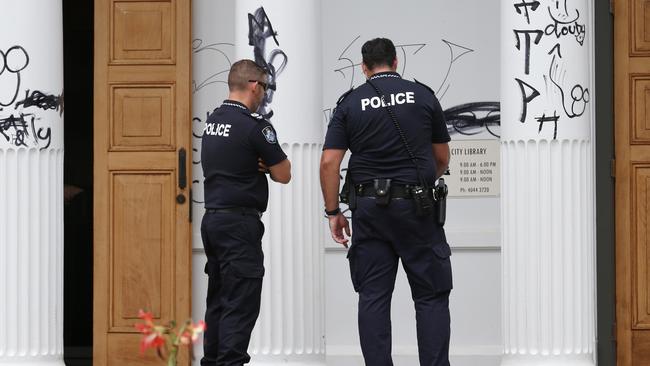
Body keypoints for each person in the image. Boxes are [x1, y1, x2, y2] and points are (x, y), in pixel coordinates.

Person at [320, 38, 452, 366]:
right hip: (418, 210)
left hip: (370, 212)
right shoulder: (423, 96)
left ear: (364, 68)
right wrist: (419, 186)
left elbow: (328, 163)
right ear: (395, 62)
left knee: (374, 297)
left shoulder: (350, 103)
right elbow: (441, 158)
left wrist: (333, 212)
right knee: (431, 296)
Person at [200, 59, 291, 366]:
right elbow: (284, 173)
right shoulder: (256, 127)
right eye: (265, 87)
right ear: (254, 85)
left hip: (212, 220)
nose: (265, 94)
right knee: (241, 301)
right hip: (239, 224)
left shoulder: (213, 122)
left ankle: (211, 361)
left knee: (218, 300)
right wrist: (262, 163)